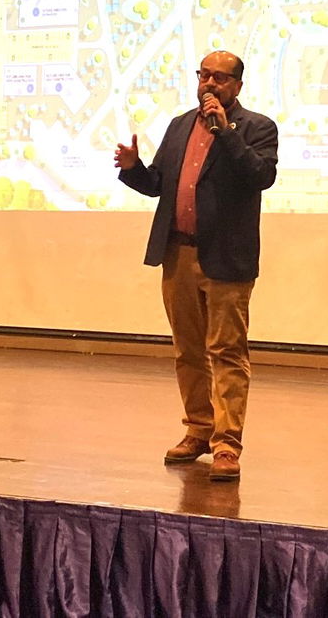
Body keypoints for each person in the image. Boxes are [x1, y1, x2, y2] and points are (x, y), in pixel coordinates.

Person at [114, 51, 278, 481]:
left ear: (237, 86)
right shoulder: (180, 125)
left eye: (220, 78)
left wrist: (225, 132)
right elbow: (158, 186)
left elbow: (260, 175)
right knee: (188, 352)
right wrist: (133, 170)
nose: (209, 84)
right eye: (204, 75)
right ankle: (199, 430)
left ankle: (227, 445)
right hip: (179, 254)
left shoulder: (257, 128)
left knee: (226, 353)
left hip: (226, 258)